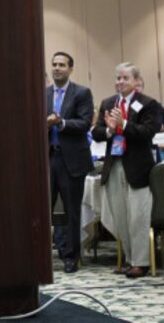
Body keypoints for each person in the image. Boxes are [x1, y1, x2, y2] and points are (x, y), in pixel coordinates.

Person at [92, 63, 160, 279]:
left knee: (137, 217)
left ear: (135, 81)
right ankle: (129, 259)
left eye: (125, 78)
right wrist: (111, 130)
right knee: (120, 216)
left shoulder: (148, 104)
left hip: (138, 167)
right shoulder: (108, 103)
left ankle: (141, 262)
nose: (120, 82)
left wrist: (125, 124)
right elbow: (96, 133)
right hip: (114, 165)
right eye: (118, 78)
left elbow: (149, 132)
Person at [46, 52, 94, 274]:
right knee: (46, 209)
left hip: (71, 160)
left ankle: (71, 257)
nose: (57, 68)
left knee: (71, 211)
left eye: (62, 65)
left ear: (70, 69)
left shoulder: (81, 93)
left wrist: (61, 122)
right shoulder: (43, 94)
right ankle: (46, 255)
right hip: (47, 158)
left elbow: (84, 123)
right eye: (54, 65)